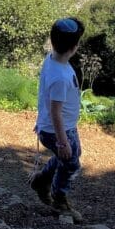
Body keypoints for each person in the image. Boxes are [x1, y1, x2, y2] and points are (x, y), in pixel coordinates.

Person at [30, 16, 85, 218]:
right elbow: (55, 112)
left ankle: (41, 181)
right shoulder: (60, 77)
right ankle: (59, 199)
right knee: (71, 163)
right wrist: (62, 142)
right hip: (56, 131)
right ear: (74, 47)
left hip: (62, 127)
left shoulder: (52, 59)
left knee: (72, 156)